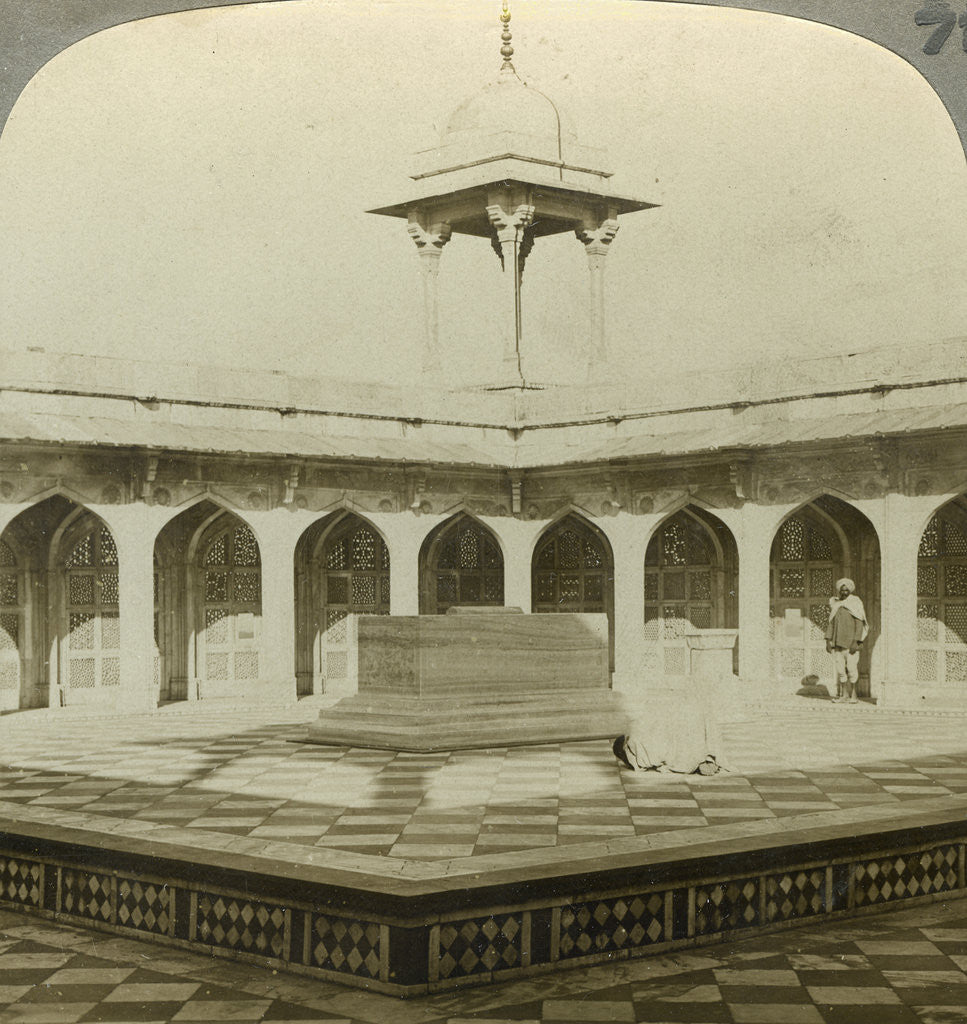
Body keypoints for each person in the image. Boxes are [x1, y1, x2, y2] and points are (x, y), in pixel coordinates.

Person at [825, 578, 868, 704]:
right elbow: (831, 624)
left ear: (850, 591)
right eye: (842, 590)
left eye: (846, 590)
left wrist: (856, 641)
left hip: (851, 644)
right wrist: (828, 641)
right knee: (840, 670)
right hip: (837, 643)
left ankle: (854, 695)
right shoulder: (836, 604)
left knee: (851, 669)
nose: (844, 592)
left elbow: (859, 624)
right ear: (839, 591)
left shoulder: (855, 603)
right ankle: (844, 695)